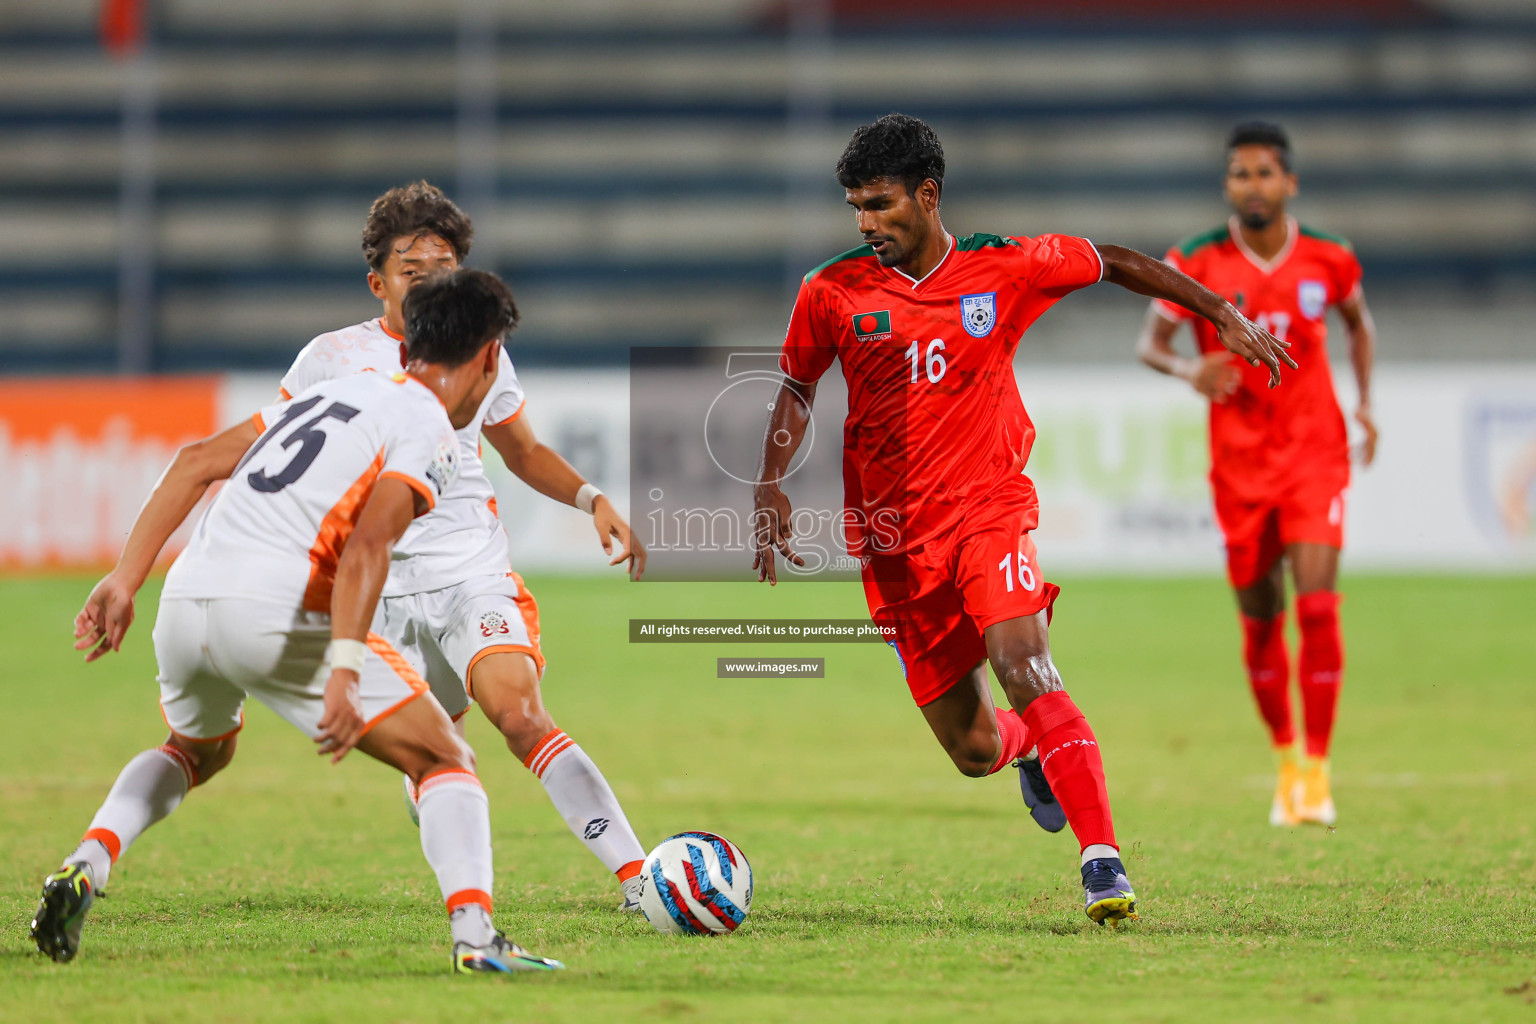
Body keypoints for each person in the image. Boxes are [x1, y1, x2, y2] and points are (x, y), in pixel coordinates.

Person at [752, 114, 1292, 924]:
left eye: (879, 204)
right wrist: (770, 482)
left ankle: (1101, 858)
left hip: (986, 509)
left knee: (1021, 656)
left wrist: (1217, 310)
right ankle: (1027, 745)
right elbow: (796, 387)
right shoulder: (829, 290)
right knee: (973, 751)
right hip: (893, 546)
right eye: (855, 208)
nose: (865, 223)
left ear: (927, 196)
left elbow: (1113, 260)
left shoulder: (1007, 267)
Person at [32, 270, 562, 974]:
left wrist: (125, 579)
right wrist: (344, 667)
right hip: (274, 606)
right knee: (443, 758)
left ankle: (86, 862)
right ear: (490, 359)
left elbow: (194, 462)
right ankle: (476, 937)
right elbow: (370, 544)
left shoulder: (331, 391)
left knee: (197, 750)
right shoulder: (430, 431)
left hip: (187, 597)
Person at [279, 182, 650, 907]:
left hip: (469, 572)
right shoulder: (329, 359)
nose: (428, 281)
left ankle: (640, 881)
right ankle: (470, 911)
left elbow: (522, 448)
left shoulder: (480, 348)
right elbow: (283, 461)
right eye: (411, 268)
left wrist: (592, 498)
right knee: (439, 760)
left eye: (442, 266)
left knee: (519, 715)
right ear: (377, 280)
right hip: (376, 590)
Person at [1136, 122, 1377, 827]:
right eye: (1240, 174)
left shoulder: (1330, 257)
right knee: (1261, 615)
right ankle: (1283, 760)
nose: (1253, 185)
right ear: (1227, 187)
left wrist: (1364, 406)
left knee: (1318, 605)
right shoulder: (1198, 260)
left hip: (1313, 453)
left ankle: (1316, 772)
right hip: (1238, 465)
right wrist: (1190, 368)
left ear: (1289, 183)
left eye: (1265, 173)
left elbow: (1360, 324)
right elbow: (1150, 344)